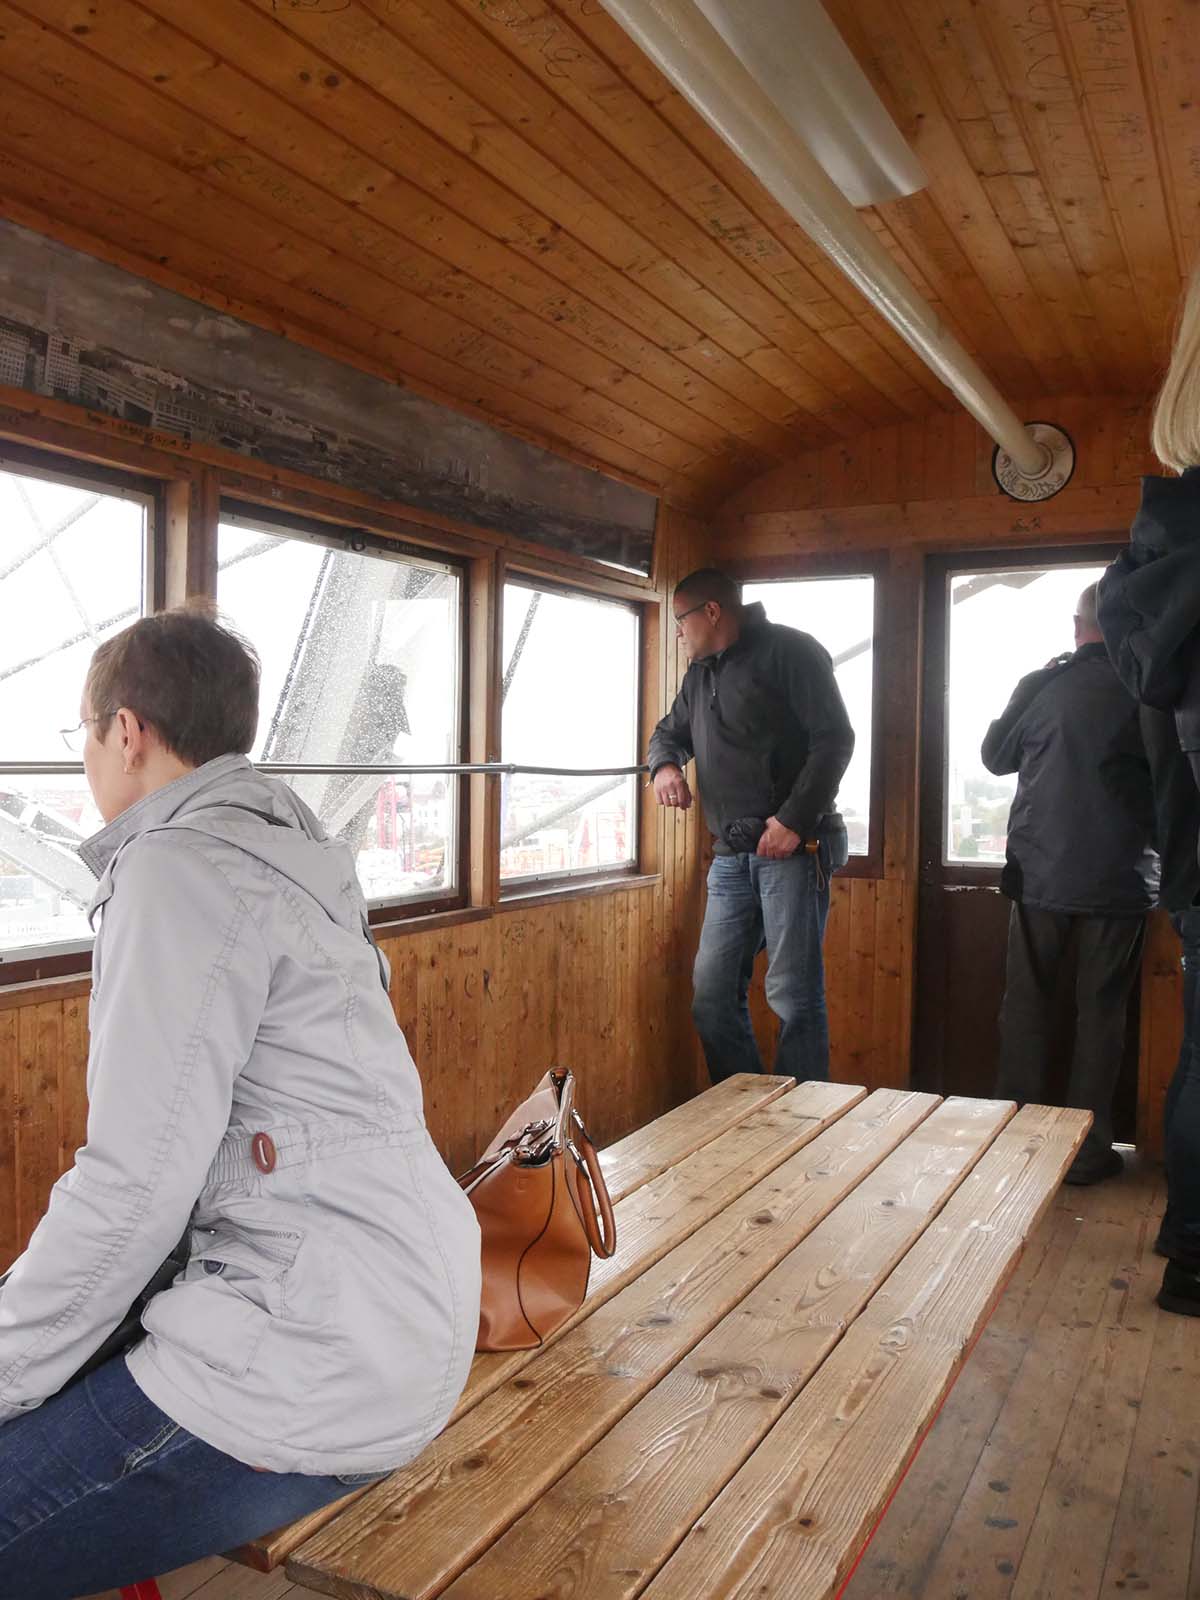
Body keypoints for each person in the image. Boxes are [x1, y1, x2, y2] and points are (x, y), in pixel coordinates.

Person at [0, 607, 481, 1597]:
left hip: (316, 1354)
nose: (88, 758)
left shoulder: (179, 869)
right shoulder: (288, 854)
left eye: (84, 734)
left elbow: (133, 1189)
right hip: (400, 1313)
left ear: (125, 730)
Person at [1098, 263, 1200, 1310]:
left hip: (1165, 871)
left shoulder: (1152, 583)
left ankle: (1191, 1239)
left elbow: (991, 754)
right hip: (1125, 876)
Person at [647, 568, 854, 1083]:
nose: (678, 632)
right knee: (712, 998)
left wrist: (791, 820)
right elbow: (667, 733)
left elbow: (835, 740)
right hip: (731, 857)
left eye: (680, 620)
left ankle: (800, 1132)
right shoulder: (699, 674)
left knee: (793, 998)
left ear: (711, 612)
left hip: (795, 850)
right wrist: (665, 766)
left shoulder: (792, 653)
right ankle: (745, 1116)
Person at [983, 582, 1157, 1185]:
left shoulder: (1044, 685)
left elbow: (994, 757)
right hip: (1123, 879)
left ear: (1075, 625)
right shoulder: (1151, 684)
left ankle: (1016, 1141)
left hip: (1041, 874)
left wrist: (1030, 687)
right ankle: (1087, 1154)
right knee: (1102, 1015)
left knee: (1027, 1005)